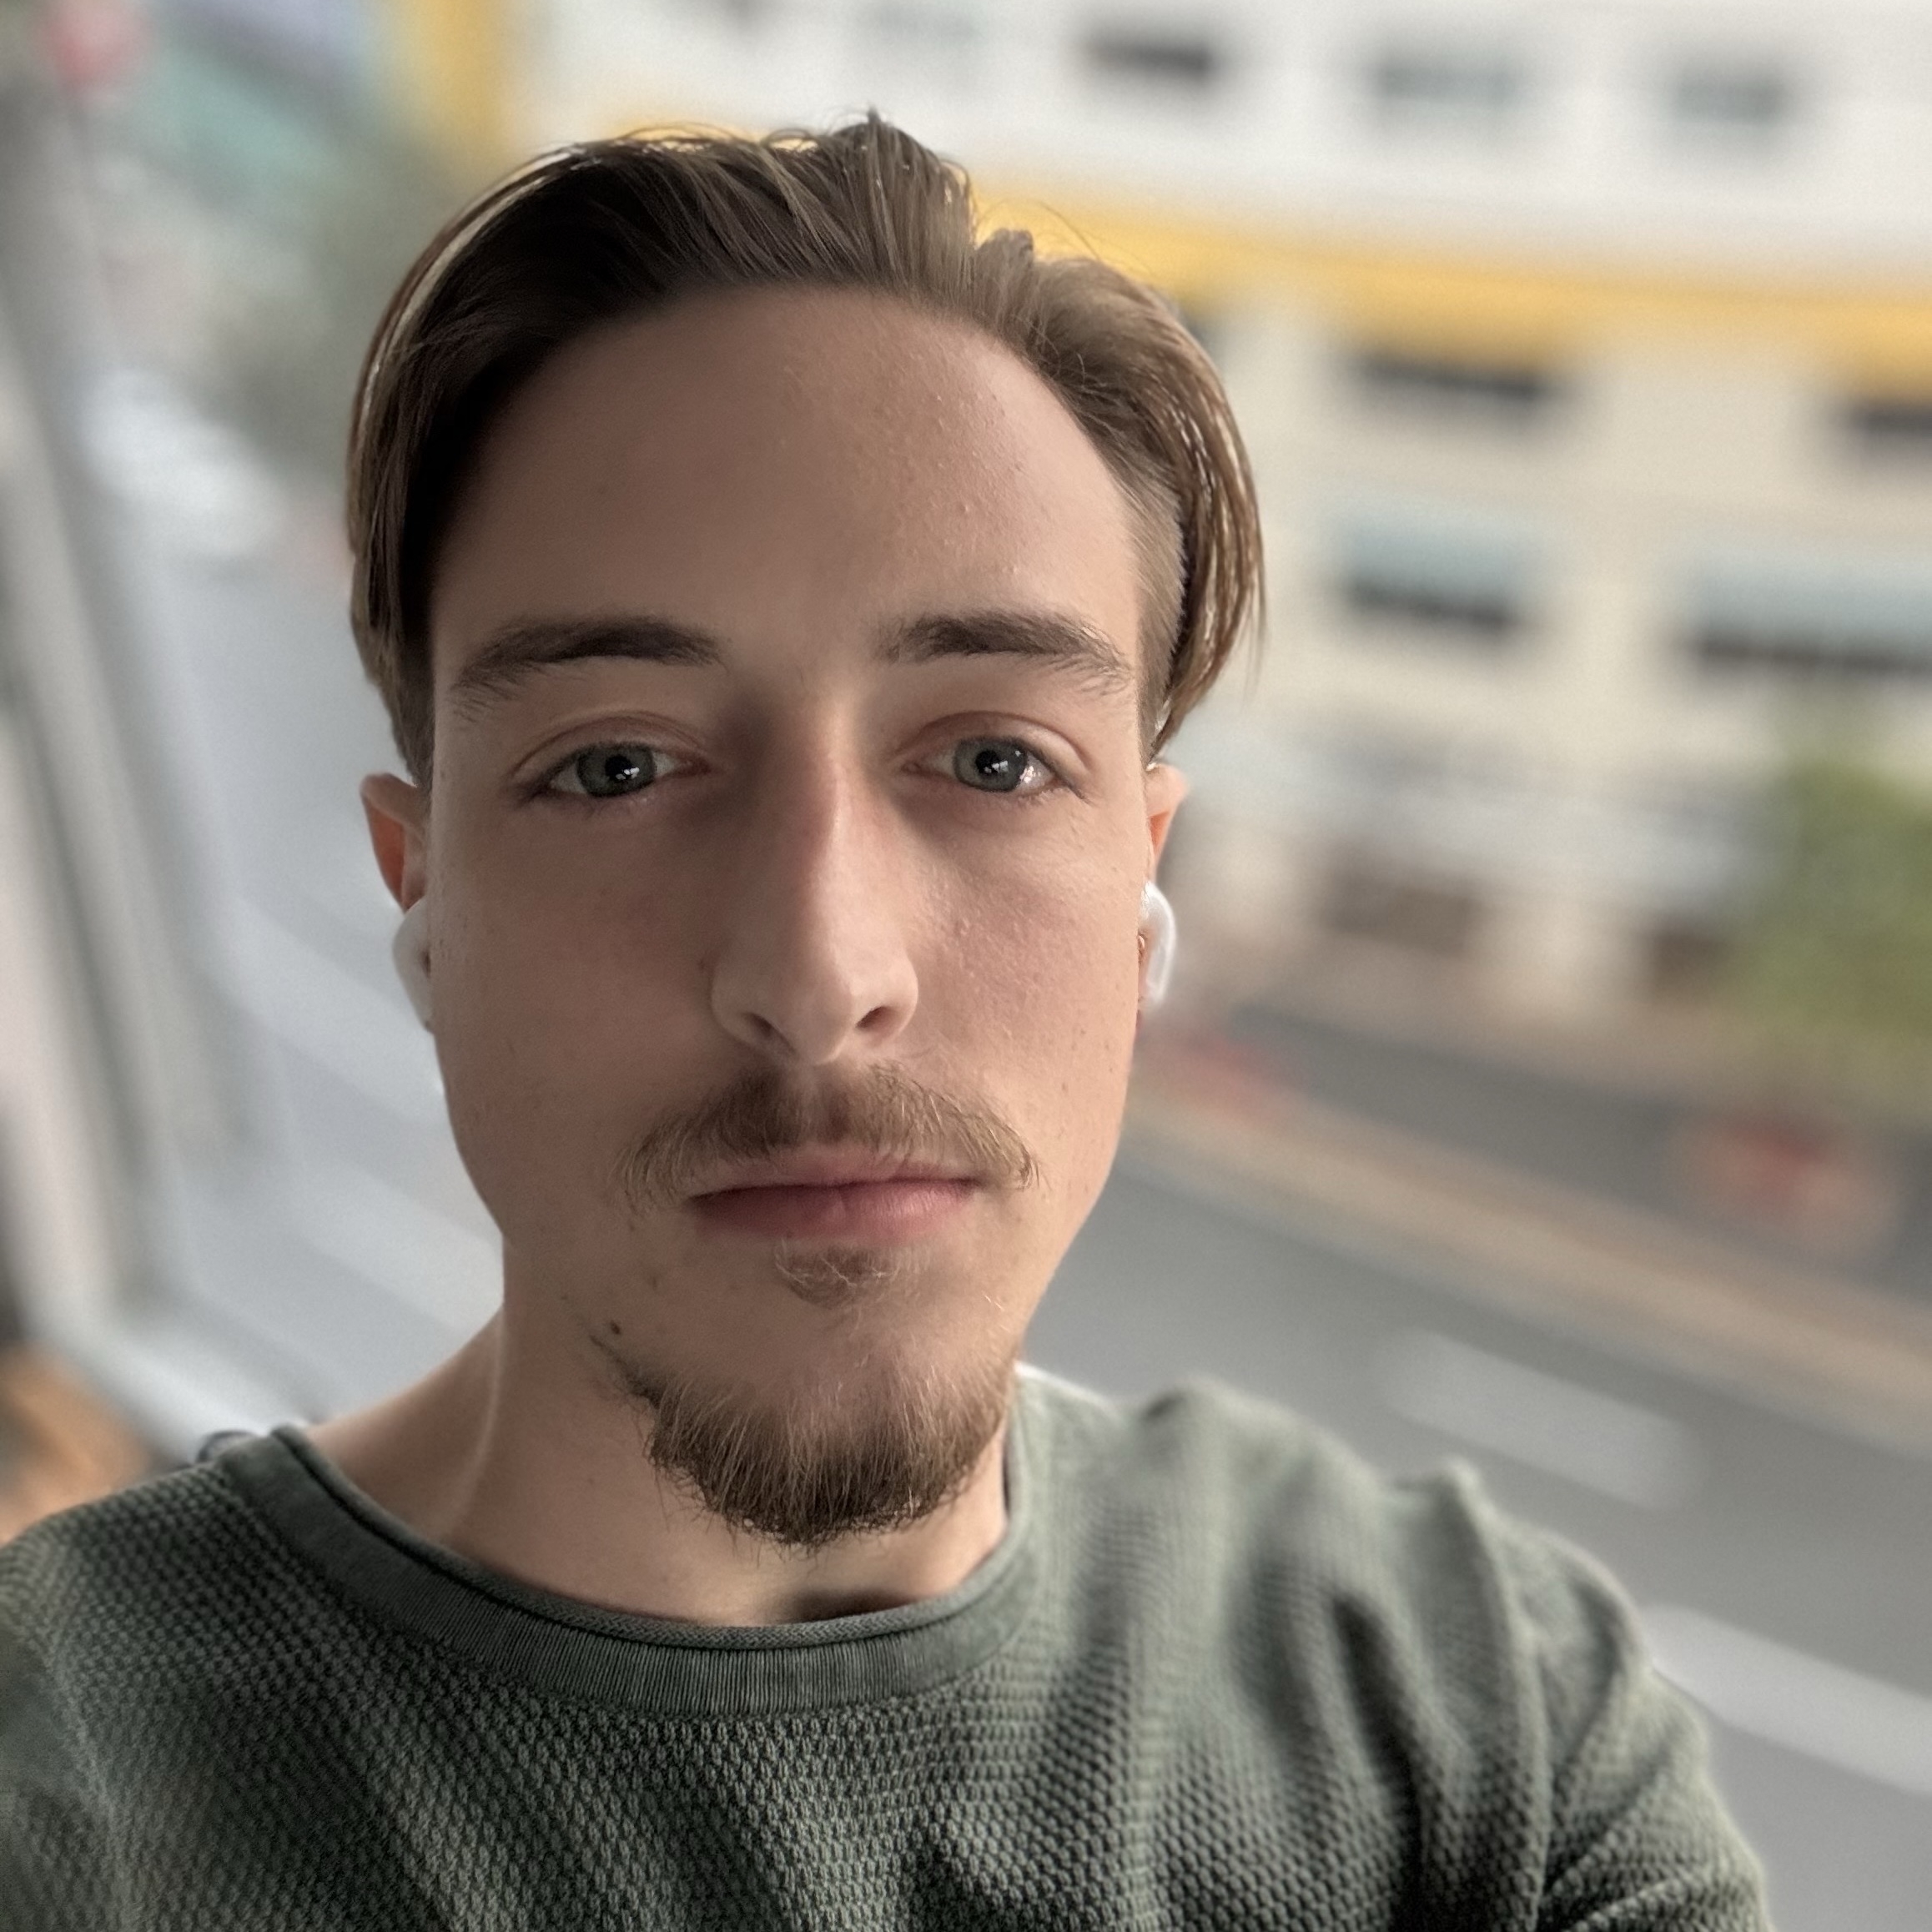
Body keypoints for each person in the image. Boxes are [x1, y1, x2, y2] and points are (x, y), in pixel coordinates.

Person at [0, 116, 1767, 1929]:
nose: (821, 971)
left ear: (1142, 893)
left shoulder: (1488, 1714)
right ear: (421, 894)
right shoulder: (57, 1788)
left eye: (995, 760)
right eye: (614, 768)